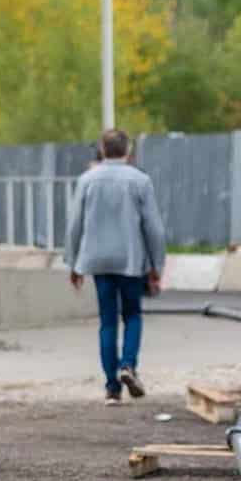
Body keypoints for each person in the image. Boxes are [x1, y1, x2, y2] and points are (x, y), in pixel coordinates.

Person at [66, 128, 166, 405]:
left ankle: (111, 388)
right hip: (131, 260)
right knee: (132, 315)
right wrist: (156, 265)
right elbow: (153, 228)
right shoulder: (140, 181)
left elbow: (75, 224)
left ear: (101, 149)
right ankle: (128, 365)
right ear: (128, 150)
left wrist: (73, 263)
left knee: (107, 321)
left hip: (97, 260)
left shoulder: (87, 180)